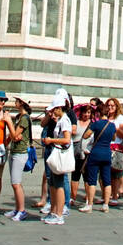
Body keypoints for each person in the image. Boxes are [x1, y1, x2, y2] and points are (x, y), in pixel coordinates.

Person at [41, 97, 72, 226]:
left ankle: (59, 214)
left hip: (60, 155)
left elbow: (66, 140)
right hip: (56, 153)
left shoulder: (65, 120)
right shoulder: (60, 120)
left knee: (58, 185)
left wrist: (51, 141)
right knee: (53, 184)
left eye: (54, 109)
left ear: (59, 108)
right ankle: (53, 212)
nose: (53, 112)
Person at [82, 100, 115, 211]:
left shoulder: (96, 124)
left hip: (96, 153)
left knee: (92, 180)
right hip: (107, 153)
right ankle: (106, 205)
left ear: (99, 114)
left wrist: (91, 128)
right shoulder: (112, 125)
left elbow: (86, 136)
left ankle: (89, 205)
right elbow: (114, 138)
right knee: (107, 180)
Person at [4, 97, 32, 220]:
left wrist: (9, 122)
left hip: (20, 152)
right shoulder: (19, 117)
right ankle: (17, 208)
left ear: (22, 103)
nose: (14, 103)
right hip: (14, 151)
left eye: (17, 101)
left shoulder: (25, 118)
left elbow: (15, 135)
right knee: (14, 182)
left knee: (16, 183)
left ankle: (22, 210)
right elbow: (13, 135)